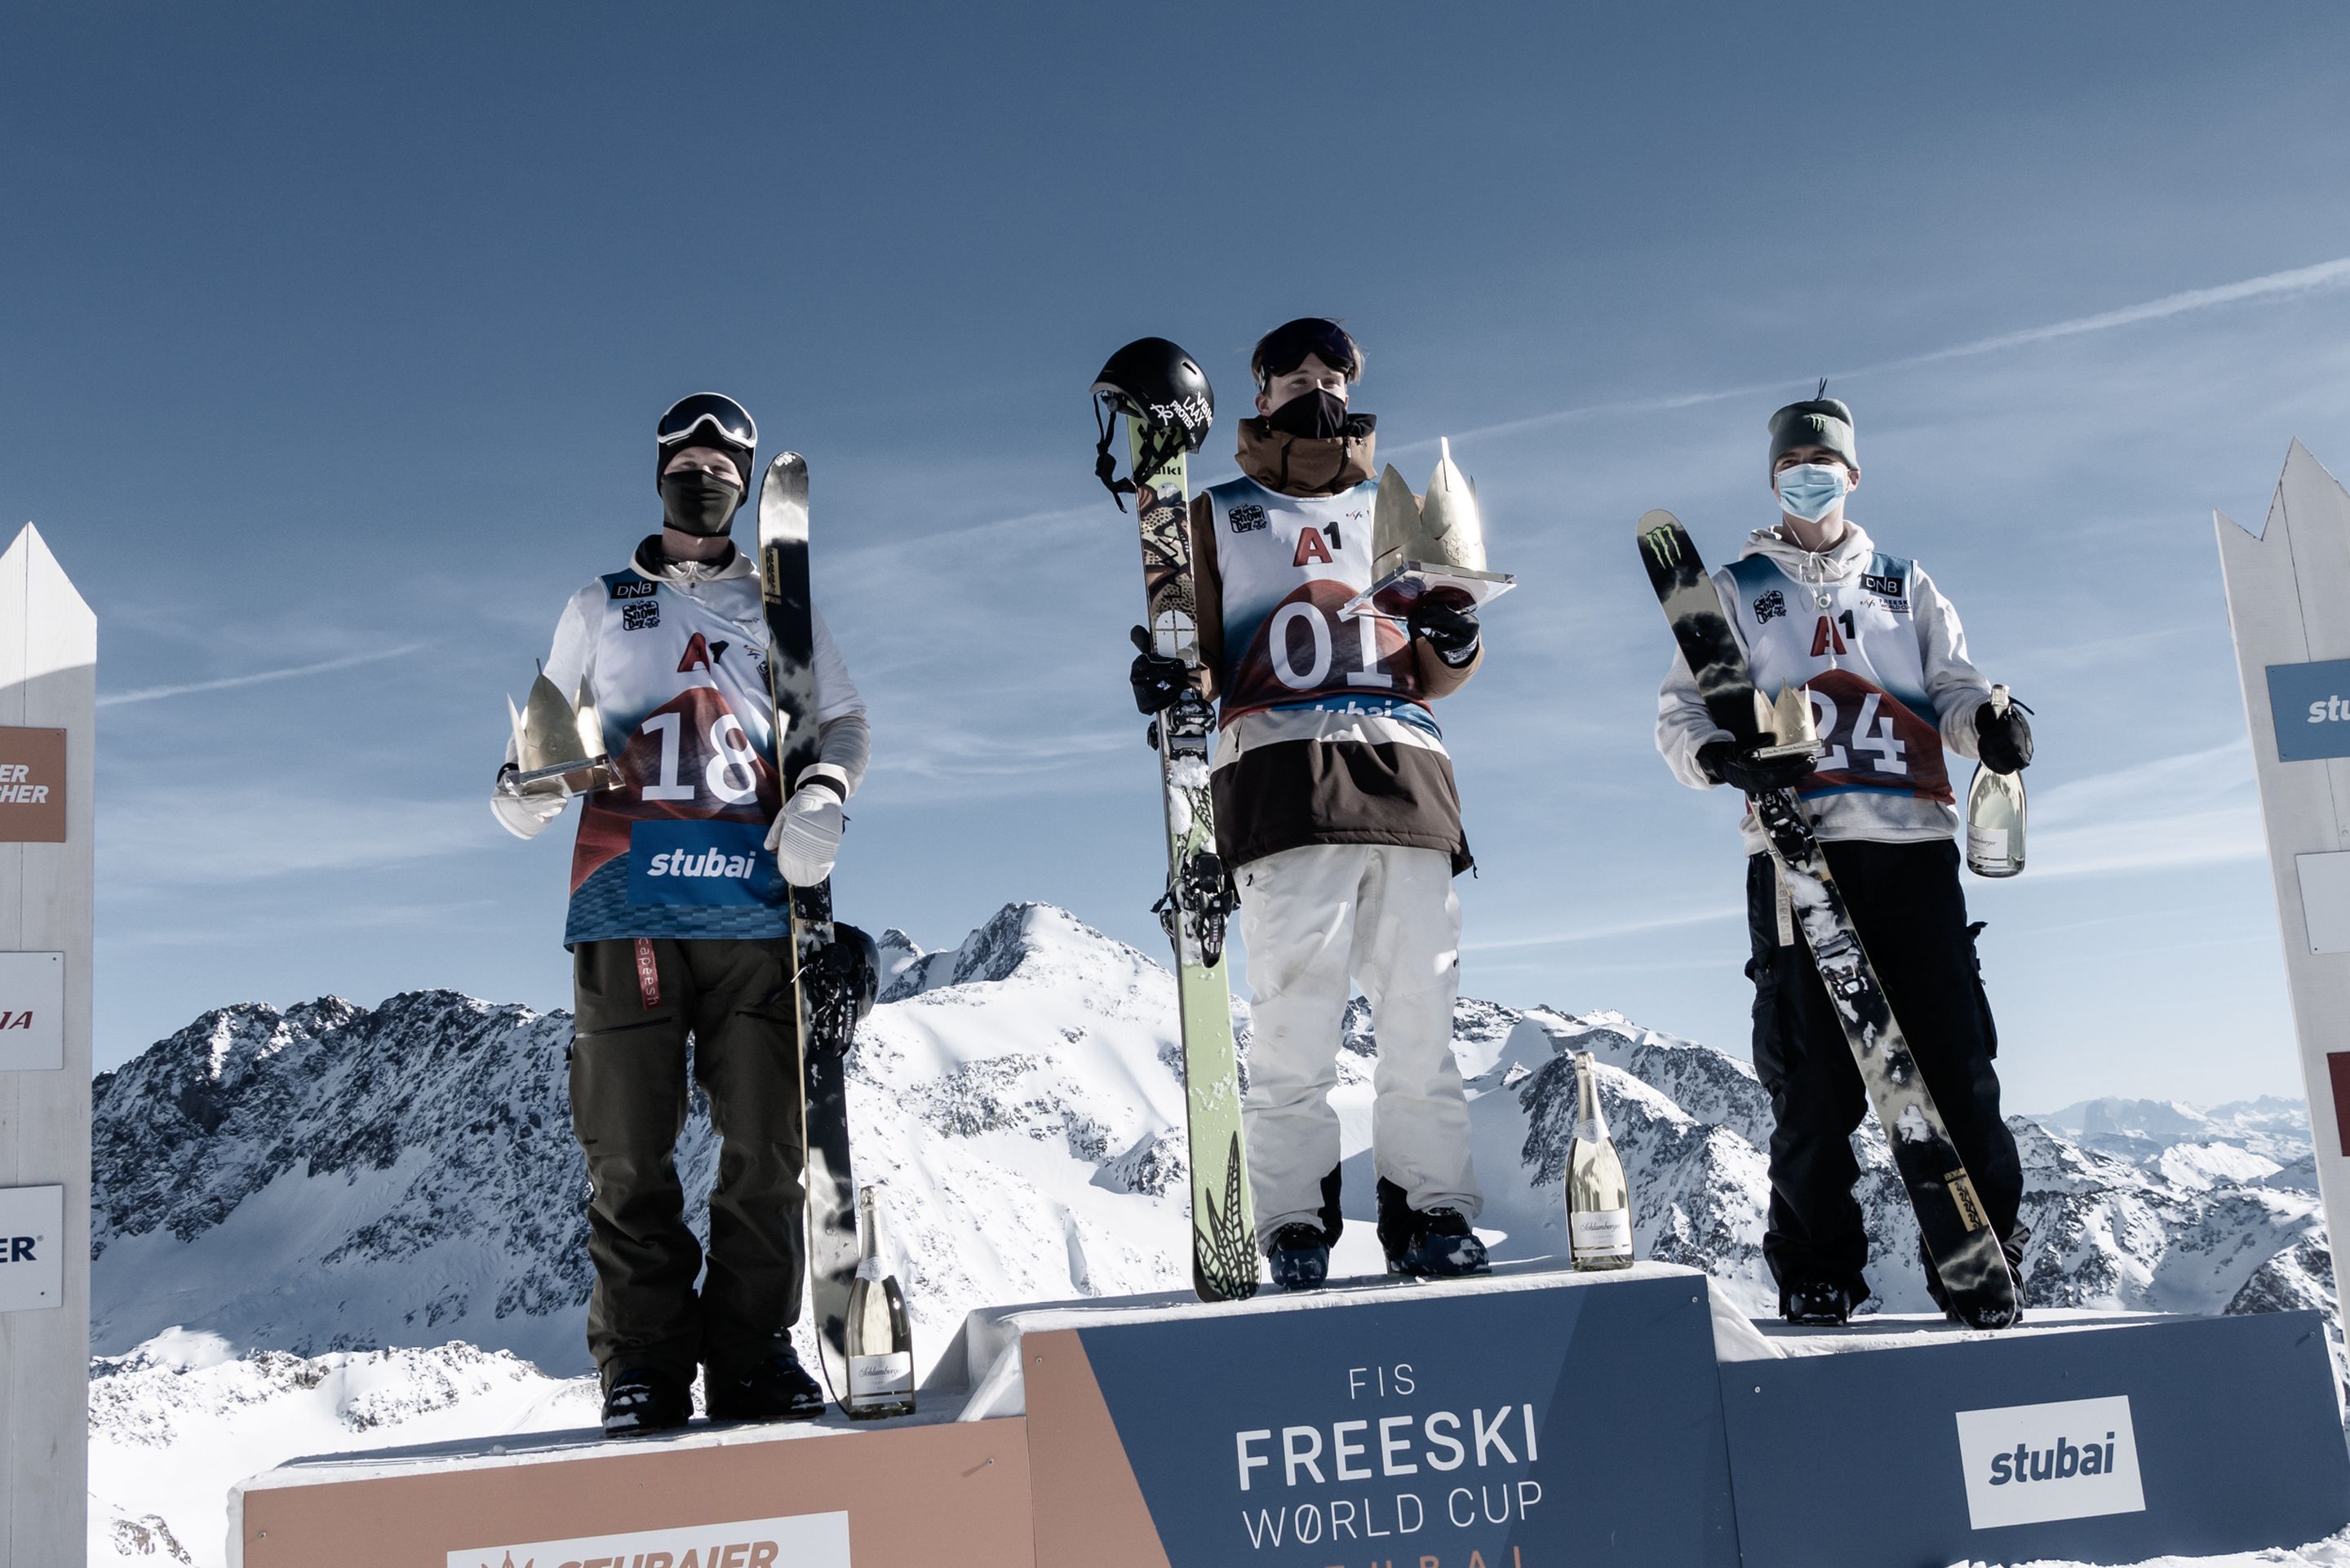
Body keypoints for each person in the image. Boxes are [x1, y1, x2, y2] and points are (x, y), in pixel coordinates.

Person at [492, 392, 871, 1434]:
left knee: (767, 1149)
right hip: (627, 912)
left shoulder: (776, 605)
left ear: (746, 486)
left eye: (724, 461)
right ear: (660, 468)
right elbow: (542, 740)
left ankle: (752, 1355)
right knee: (627, 1152)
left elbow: (841, 718)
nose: (706, 473)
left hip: (754, 912)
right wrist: (521, 787)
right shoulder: (600, 604)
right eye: (689, 456)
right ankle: (645, 1365)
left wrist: (825, 792)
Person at [1655, 389, 2034, 1327]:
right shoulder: (1739, 588)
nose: (1809, 477)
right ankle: (1818, 1268)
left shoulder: (1905, 584)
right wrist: (1720, 757)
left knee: (1956, 1062)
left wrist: (1991, 724)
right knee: (1814, 1077)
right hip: (1797, 855)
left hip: (1911, 846)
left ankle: (1982, 1257)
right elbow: (1681, 713)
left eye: (1824, 463)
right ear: (1775, 476)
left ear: (1853, 474)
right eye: (1793, 464)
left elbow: (1954, 690)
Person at [1129, 318, 1489, 1291]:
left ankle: (1433, 1212)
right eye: (1295, 375)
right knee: (1295, 1024)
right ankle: (1293, 1222)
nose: (1317, 388)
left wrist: (1452, 641)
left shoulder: (1394, 506)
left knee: (1422, 1017)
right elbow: (1194, 647)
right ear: (1259, 396)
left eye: (1333, 374)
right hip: (1285, 778)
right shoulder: (1217, 514)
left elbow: (1435, 661)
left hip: (1406, 774)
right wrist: (1174, 680)